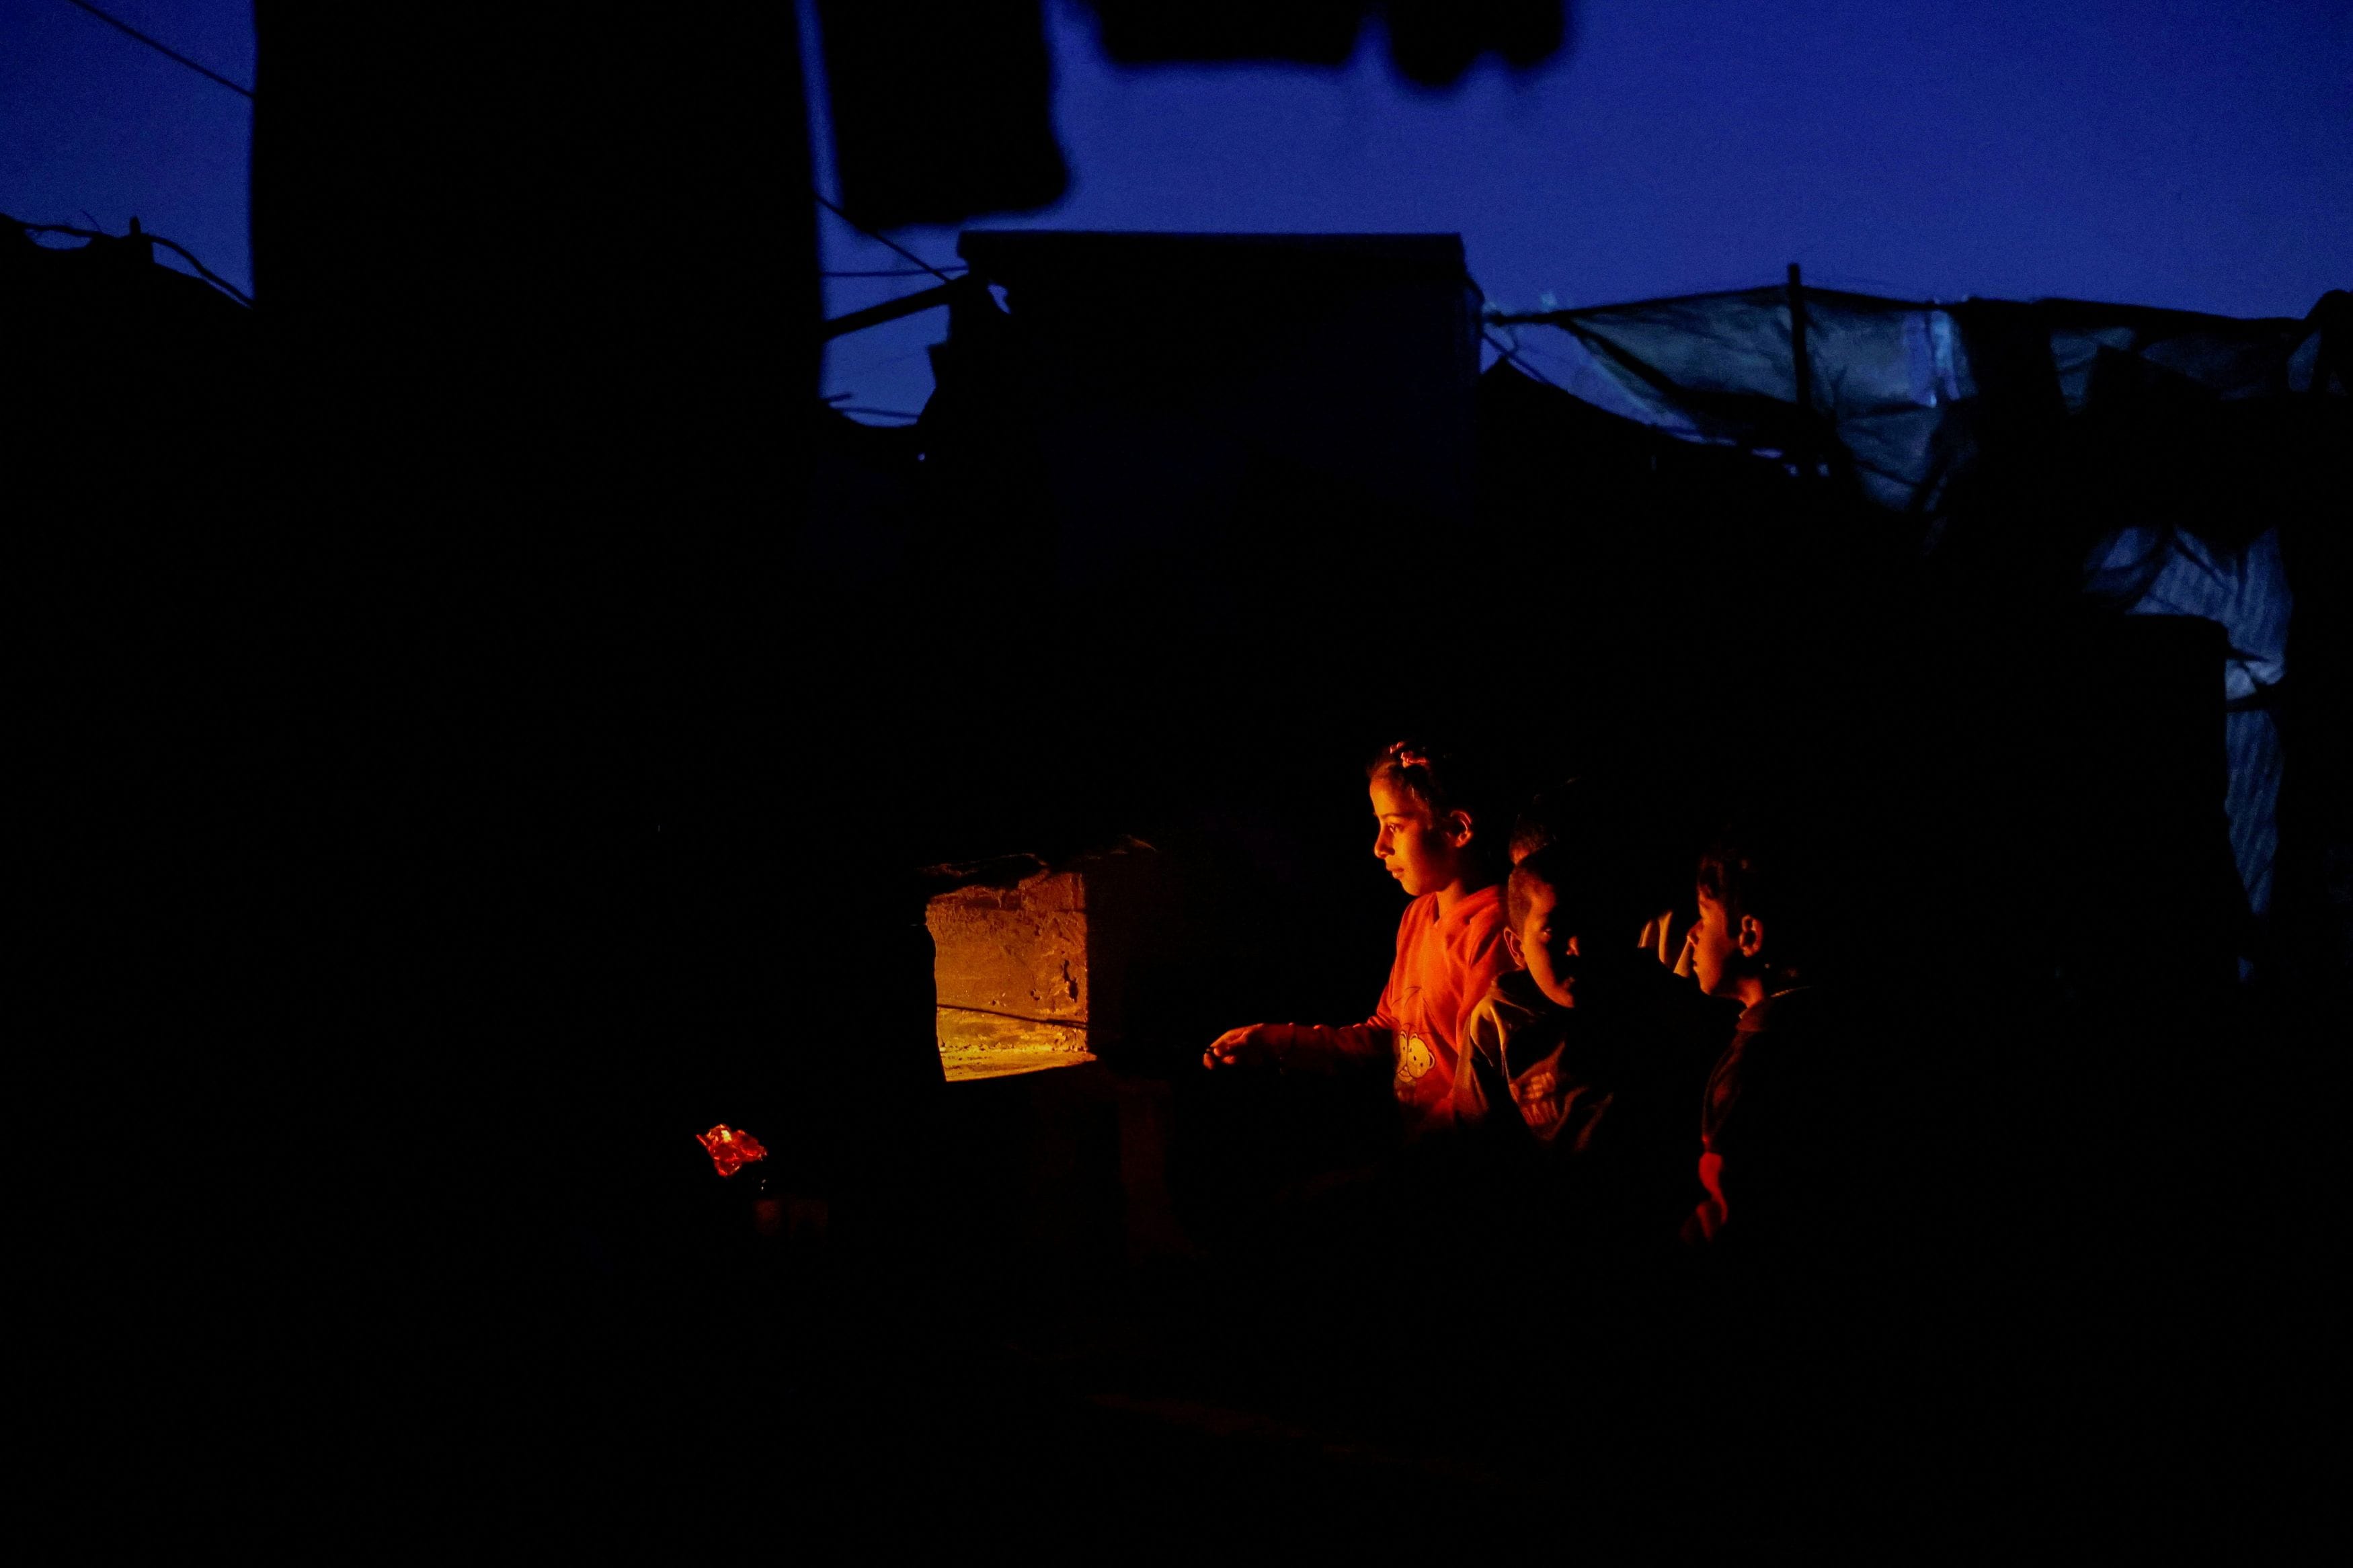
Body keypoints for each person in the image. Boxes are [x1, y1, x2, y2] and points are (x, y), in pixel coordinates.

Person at [1203, 739, 1513, 1134]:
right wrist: (1279, 1042)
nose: (1379, 847)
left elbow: (1485, 1089)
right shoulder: (1418, 915)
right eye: (1379, 825)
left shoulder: (1493, 930)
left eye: (1395, 827)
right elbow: (1388, 1034)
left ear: (1456, 828)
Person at [1456, 842, 1727, 1243]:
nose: (1578, 947)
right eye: (1554, 930)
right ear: (1517, 948)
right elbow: (1481, 1156)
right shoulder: (1496, 1025)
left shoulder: (1658, 1001)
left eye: (1591, 925)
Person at [1680, 821, 1873, 1252]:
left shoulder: (1753, 1069)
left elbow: (1726, 1215)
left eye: (1704, 914)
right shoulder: (1829, 1023)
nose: (1692, 933)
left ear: (1748, 935)